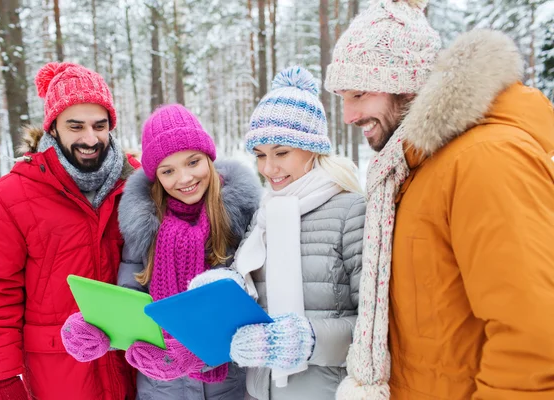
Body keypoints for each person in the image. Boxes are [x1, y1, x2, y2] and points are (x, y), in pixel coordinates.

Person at [325, 1, 554, 398]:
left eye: (359, 93)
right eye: (343, 97)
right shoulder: (413, 173)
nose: (347, 114)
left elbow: (534, 339)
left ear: (408, 82)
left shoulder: (484, 160)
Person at [61, 104, 262, 400]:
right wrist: (94, 327)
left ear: (209, 158)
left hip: (227, 387)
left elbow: (256, 309)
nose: (184, 179)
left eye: (192, 162)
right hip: (160, 387)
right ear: (156, 177)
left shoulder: (242, 217)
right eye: (168, 171)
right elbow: (130, 305)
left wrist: (197, 350)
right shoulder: (144, 227)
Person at [191, 66, 367, 400]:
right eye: (260, 156)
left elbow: (375, 326)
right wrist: (226, 288)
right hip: (259, 392)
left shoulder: (352, 210)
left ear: (313, 148)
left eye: (281, 153)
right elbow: (258, 299)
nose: (268, 169)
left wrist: (307, 339)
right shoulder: (266, 212)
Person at [0, 62, 139, 400]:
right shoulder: (11, 195)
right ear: (53, 128)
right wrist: (2, 377)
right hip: (58, 372)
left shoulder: (136, 183)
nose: (89, 138)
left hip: (133, 365)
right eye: (75, 126)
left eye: (99, 125)